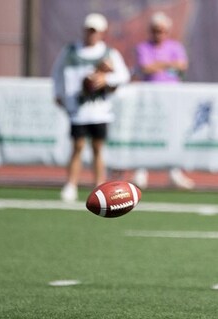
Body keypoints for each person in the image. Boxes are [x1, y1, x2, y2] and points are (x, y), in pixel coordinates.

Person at [52, 13, 130, 202]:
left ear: (102, 32)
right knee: (77, 146)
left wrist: (105, 79)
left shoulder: (109, 53)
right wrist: (58, 93)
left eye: (94, 31)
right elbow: (57, 72)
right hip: (78, 109)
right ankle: (71, 184)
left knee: (97, 147)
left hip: (99, 109)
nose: (91, 34)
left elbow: (123, 76)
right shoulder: (71, 51)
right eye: (88, 30)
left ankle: (99, 185)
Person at [132, 11, 194, 190]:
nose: (159, 34)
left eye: (162, 30)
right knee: (146, 133)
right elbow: (146, 68)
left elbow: (182, 66)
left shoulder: (175, 47)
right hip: (150, 97)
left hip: (172, 98)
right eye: (155, 30)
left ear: (167, 31)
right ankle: (141, 172)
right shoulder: (143, 47)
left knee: (173, 132)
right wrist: (167, 64)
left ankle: (174, 172)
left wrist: (159, 64)